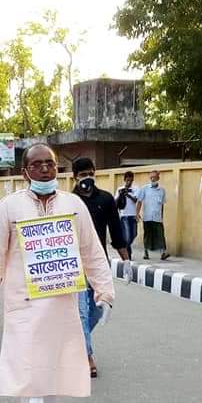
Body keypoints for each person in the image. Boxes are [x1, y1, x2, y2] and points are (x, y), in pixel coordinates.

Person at [0, 144, 115, 403]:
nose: (43, 170)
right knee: (31, 377)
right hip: (23, 306)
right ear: (25, 172)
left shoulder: (73, 205)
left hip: (62, 306)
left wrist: (105, 292)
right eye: (35, 165)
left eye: (49, 164)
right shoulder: (9, 208)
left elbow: (92, 252)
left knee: (52, 376)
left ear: (57, 169)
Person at [71, 156, 130, 378]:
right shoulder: (68, 201)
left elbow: (116, 232)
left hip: (98, 263)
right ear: (75, 177)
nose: (87, 178)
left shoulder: (105, 199)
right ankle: (87, 356)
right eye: (82, 175)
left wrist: (126, 260)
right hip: (73, 264)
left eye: (90, 174)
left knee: (96, 309)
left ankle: (77, 340)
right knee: (81, 312)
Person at [138, 170, 170, 260]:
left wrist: (162, 216)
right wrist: (137, 214)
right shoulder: (145, 188)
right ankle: (146, 252)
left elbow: (162, 204)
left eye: (154, 177)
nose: (153, 179)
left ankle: (163, 253)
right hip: (147, 216)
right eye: (151, 177)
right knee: (147, 235)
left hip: (157, 217)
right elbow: (139, 201)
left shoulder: (162, 190)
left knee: (160, 235)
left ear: (158, 178)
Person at [116, 171, 141, 261]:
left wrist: (128, 194)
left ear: (133, 180)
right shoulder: (120, 189)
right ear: (124, 180)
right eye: (127, 180)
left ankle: (125, 248)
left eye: (130, 180)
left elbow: (135, 200)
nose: (128, 182)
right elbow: (116, 202)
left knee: (134, 234)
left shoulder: (136, 189)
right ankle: (127, 254)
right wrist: (121, 194)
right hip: (124, 215)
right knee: (127, 236)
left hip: (133, 215)